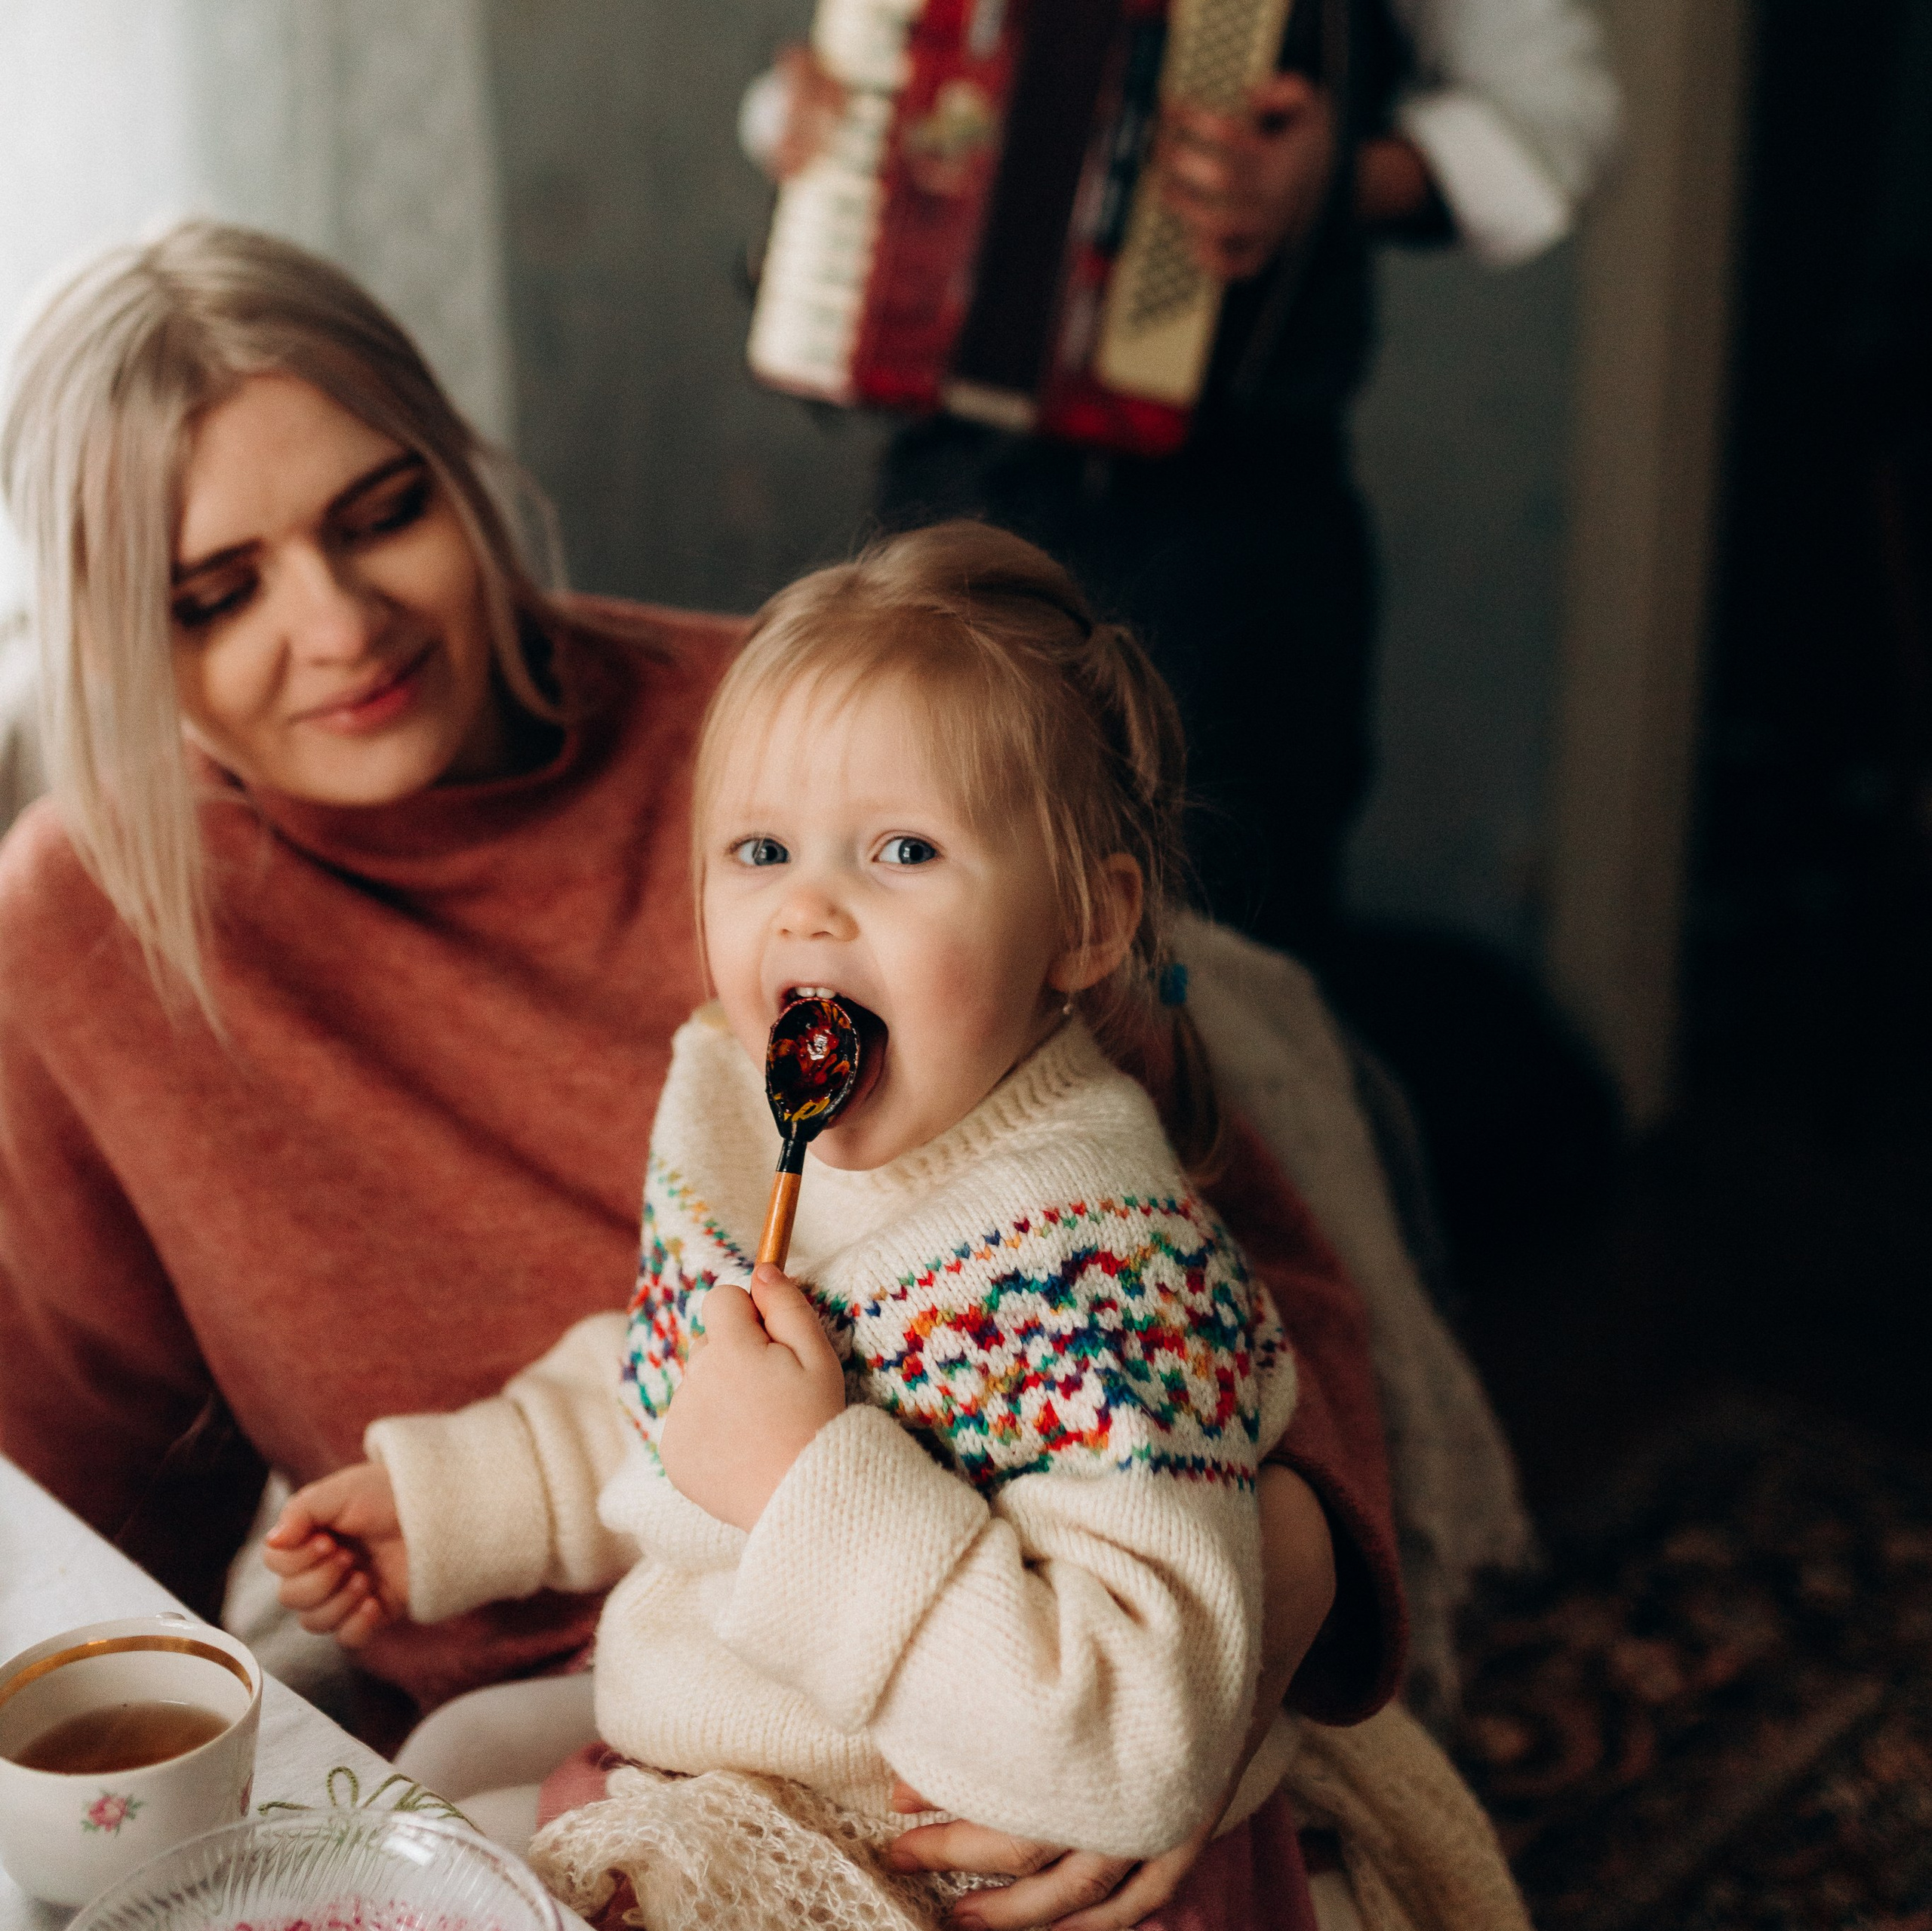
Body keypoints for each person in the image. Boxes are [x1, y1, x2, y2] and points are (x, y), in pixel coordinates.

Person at [0, 223, 1403, 1929]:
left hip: (983, 1707)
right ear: (111, 644)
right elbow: (90, 1501)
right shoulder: (85, 927)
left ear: (467, 468)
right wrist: (444, 1504)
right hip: (603, 1722)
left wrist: (1206, 1683)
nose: (339, 622)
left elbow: (1246, 1301)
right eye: (212, 594)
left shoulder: (820, 746)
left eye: (382, 512)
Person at [260, 525, 1526, 1931]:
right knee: (429, 1779)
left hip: (949, 1841)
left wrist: (801, 1480)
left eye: (904, 850)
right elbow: (696, 1376)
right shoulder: (740, 1105)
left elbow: (1135, 1732)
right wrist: (454, 1500)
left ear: (1085, 923)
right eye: (760, 850)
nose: (808, 904)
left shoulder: (1098, 1276)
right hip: (739, 1733)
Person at [744, 0, 1620, 955]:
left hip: (1233, 543)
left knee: (1212, 962)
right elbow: (837, 86)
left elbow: (1561, 113)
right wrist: (818, 117)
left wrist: (1334, 176)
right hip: (943, 504)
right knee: (905, 922)